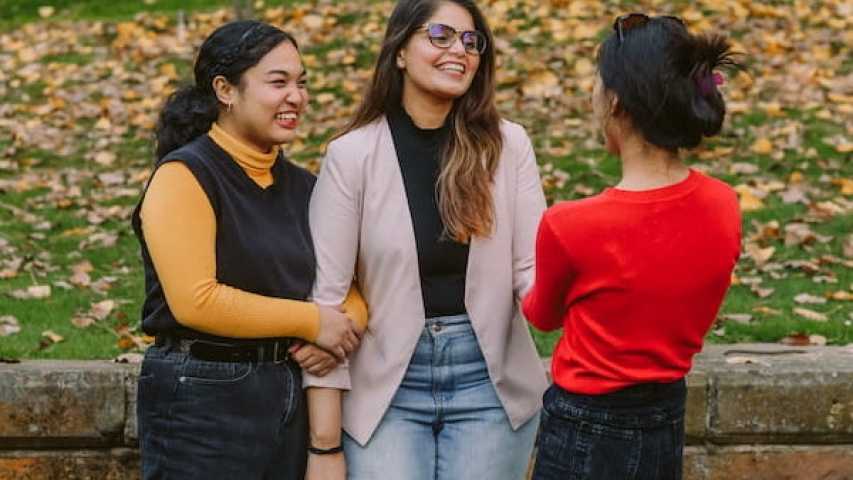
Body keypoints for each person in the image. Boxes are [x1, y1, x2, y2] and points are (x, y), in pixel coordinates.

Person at [302, 1, 549, 479]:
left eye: (471, 40)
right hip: (385, 386)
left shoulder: (508, 144)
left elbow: (532, 271)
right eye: (440, 35)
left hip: (490, 384)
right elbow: (326, 301)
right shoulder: (350, 156)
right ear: (399, 51)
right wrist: (324, 445)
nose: (459, 49)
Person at [131, 20, 366, 479]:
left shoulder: (306, 187)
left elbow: (350, 290)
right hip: (200, 395)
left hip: (289, 393)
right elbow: (196, 300)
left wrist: (341, 332)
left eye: (301, 83)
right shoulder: (185, 175)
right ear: (225, 90)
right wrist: (313, 322)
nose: (296, 97)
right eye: (278, 82)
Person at [523, 13, 743, 480]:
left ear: (617, 102)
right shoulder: (724, 205)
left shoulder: (570, 224)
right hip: (665, 419)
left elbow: (542, 315)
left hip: (585, 427)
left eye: (597, 86)